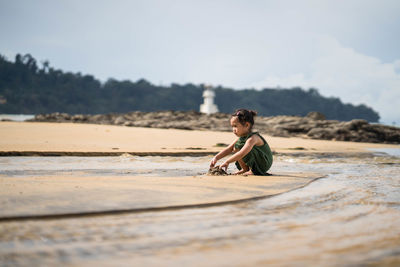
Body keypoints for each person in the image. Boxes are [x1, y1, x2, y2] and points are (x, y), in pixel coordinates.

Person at [210, 109, 273, 175]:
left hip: (263, 163)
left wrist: (227, 162)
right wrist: (216, 158)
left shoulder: (253, 138)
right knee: (236, 146)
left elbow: (241, 153)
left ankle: (253, 170)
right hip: (256, 161)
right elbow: (228, 149)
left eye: (235, 126)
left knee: (239, 147)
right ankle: (245, 169)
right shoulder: (241, 139)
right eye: (232, 127)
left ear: (247, 125)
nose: (233, 130)